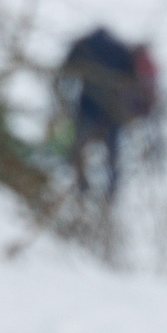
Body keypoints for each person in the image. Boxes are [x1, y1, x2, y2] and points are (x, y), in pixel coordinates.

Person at [61, 26, 147, 201]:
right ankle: (110, 192)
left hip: (89, 109)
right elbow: (133, 81)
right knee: (112, 155)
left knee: (78, 149)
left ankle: (83, 187)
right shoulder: (121, 50)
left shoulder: (83, 46)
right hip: (111, 113)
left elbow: (65, 73)